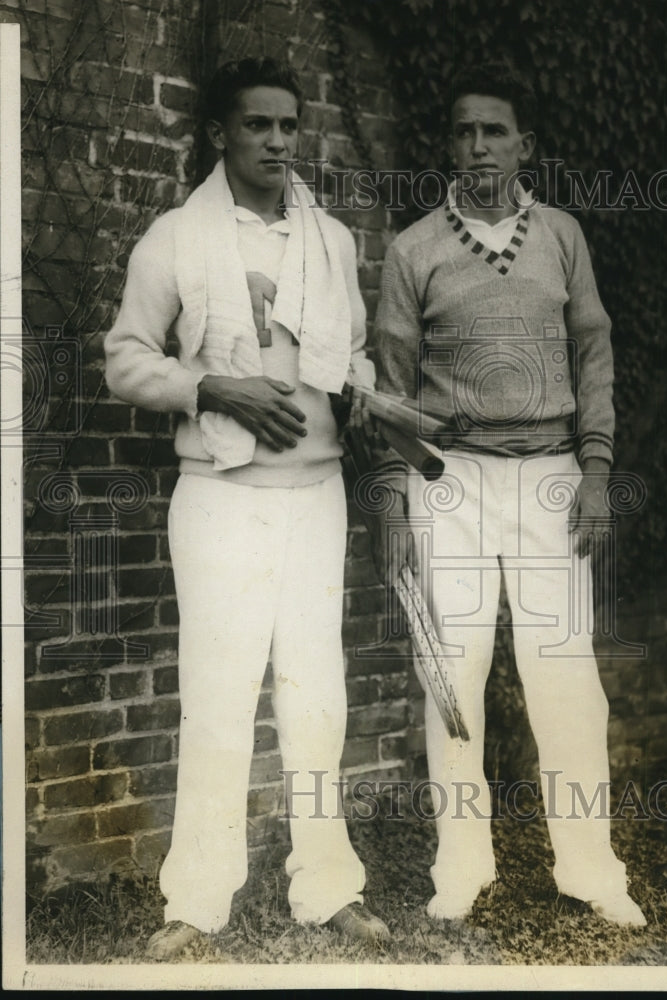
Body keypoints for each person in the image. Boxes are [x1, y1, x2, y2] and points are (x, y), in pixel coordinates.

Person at [104, 56, 390, 960]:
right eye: (256, 125)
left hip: (316, 495)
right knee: (219, 700)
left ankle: (327, 885)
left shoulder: (330, 240)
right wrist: (215, 387)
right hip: (221, 499)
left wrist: (367, 392)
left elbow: (353, 357)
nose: (274, 141)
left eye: (287, 126)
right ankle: (196, 898)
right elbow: (125, 359)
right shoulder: (177, 238)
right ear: (221, 133)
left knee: (318, 700)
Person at [368, 63, 646, 927]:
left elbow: (594, 355)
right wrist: (391, 501)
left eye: (494, 131)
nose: (478, 146)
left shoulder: (561, 235)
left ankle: (591, 870)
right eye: (463, 131)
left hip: (553, 477)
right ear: (445, 145)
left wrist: (596, 473)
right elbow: (388, 388)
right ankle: (461, 865)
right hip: (447, 482)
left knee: (564, 677)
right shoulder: (414, 249)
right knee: (450, 673)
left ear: (524, 145)